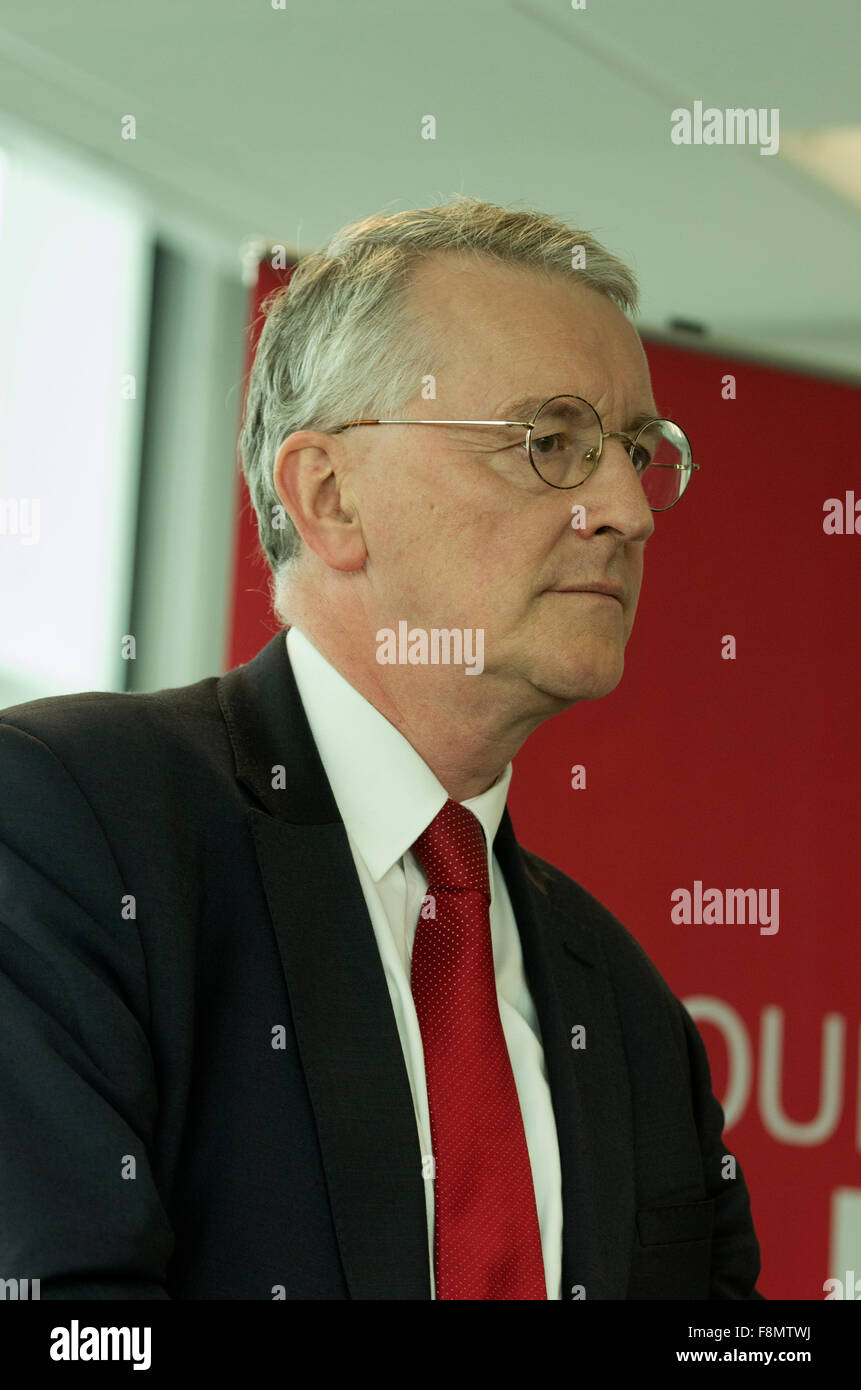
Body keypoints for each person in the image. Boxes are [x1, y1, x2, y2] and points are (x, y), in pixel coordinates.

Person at [0, 197, 763, 1300]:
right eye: (551, 442)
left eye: (637, 453)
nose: (625, 510)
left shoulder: (631, 1014)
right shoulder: (70, 826)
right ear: (330, 495)